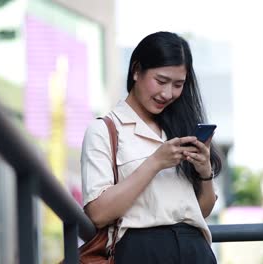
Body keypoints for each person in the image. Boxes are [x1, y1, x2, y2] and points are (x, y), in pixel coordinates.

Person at [81, 31, 222, 263]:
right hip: (142, 251)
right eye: (161, 81)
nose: (168, 94)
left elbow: (203, 211)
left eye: (178, 85)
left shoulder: (181, 126)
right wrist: (156, 162)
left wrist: (205, 170)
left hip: (195, 251)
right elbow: (98, 213)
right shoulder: (105, 130)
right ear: (136, 70)